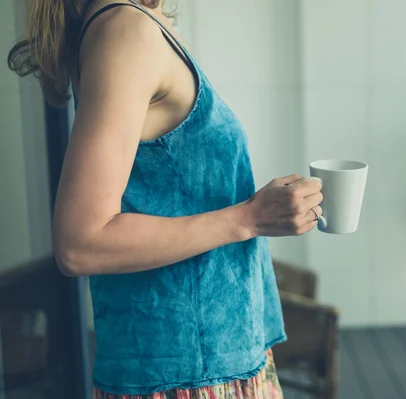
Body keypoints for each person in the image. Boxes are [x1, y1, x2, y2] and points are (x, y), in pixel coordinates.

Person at [8, 0, 323, 397]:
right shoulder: (125, 31)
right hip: (188, 372)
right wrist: (251, 218)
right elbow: (79, 243)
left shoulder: (131, 23)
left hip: (215, 357)